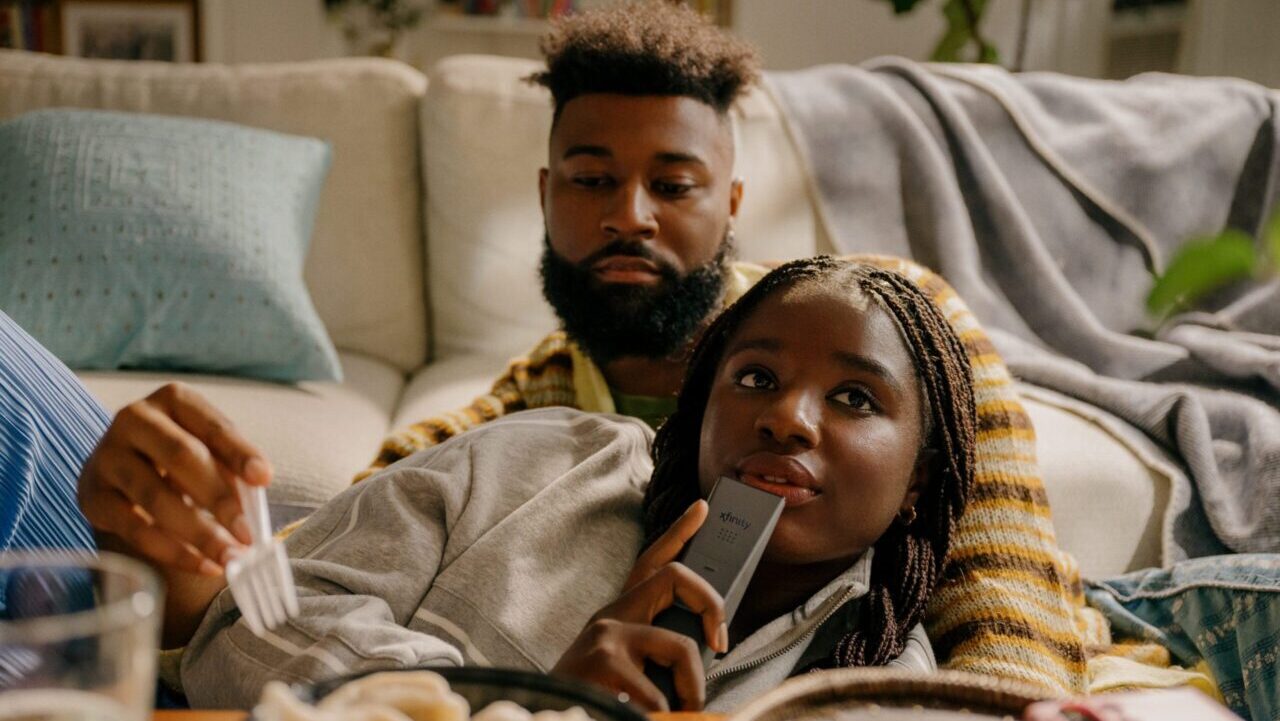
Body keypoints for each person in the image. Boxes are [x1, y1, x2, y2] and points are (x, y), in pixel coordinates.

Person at [60, 1, 1092, 696]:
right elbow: (302, 591)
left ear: (730, 203)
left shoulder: (899, 324)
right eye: (592, 180)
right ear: (546, 199)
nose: (628, 216)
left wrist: (1014, 707)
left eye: (673, 185)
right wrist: (190, 576)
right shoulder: (508, 430)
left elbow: (1000, 561)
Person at [179, 257, 977, 712]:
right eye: (757, 376)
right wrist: (520, 703)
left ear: (919, 481)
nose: (787, 418)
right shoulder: (531, 459)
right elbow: (243, 623)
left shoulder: (887, 691)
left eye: (855, 398)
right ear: (698, 408)